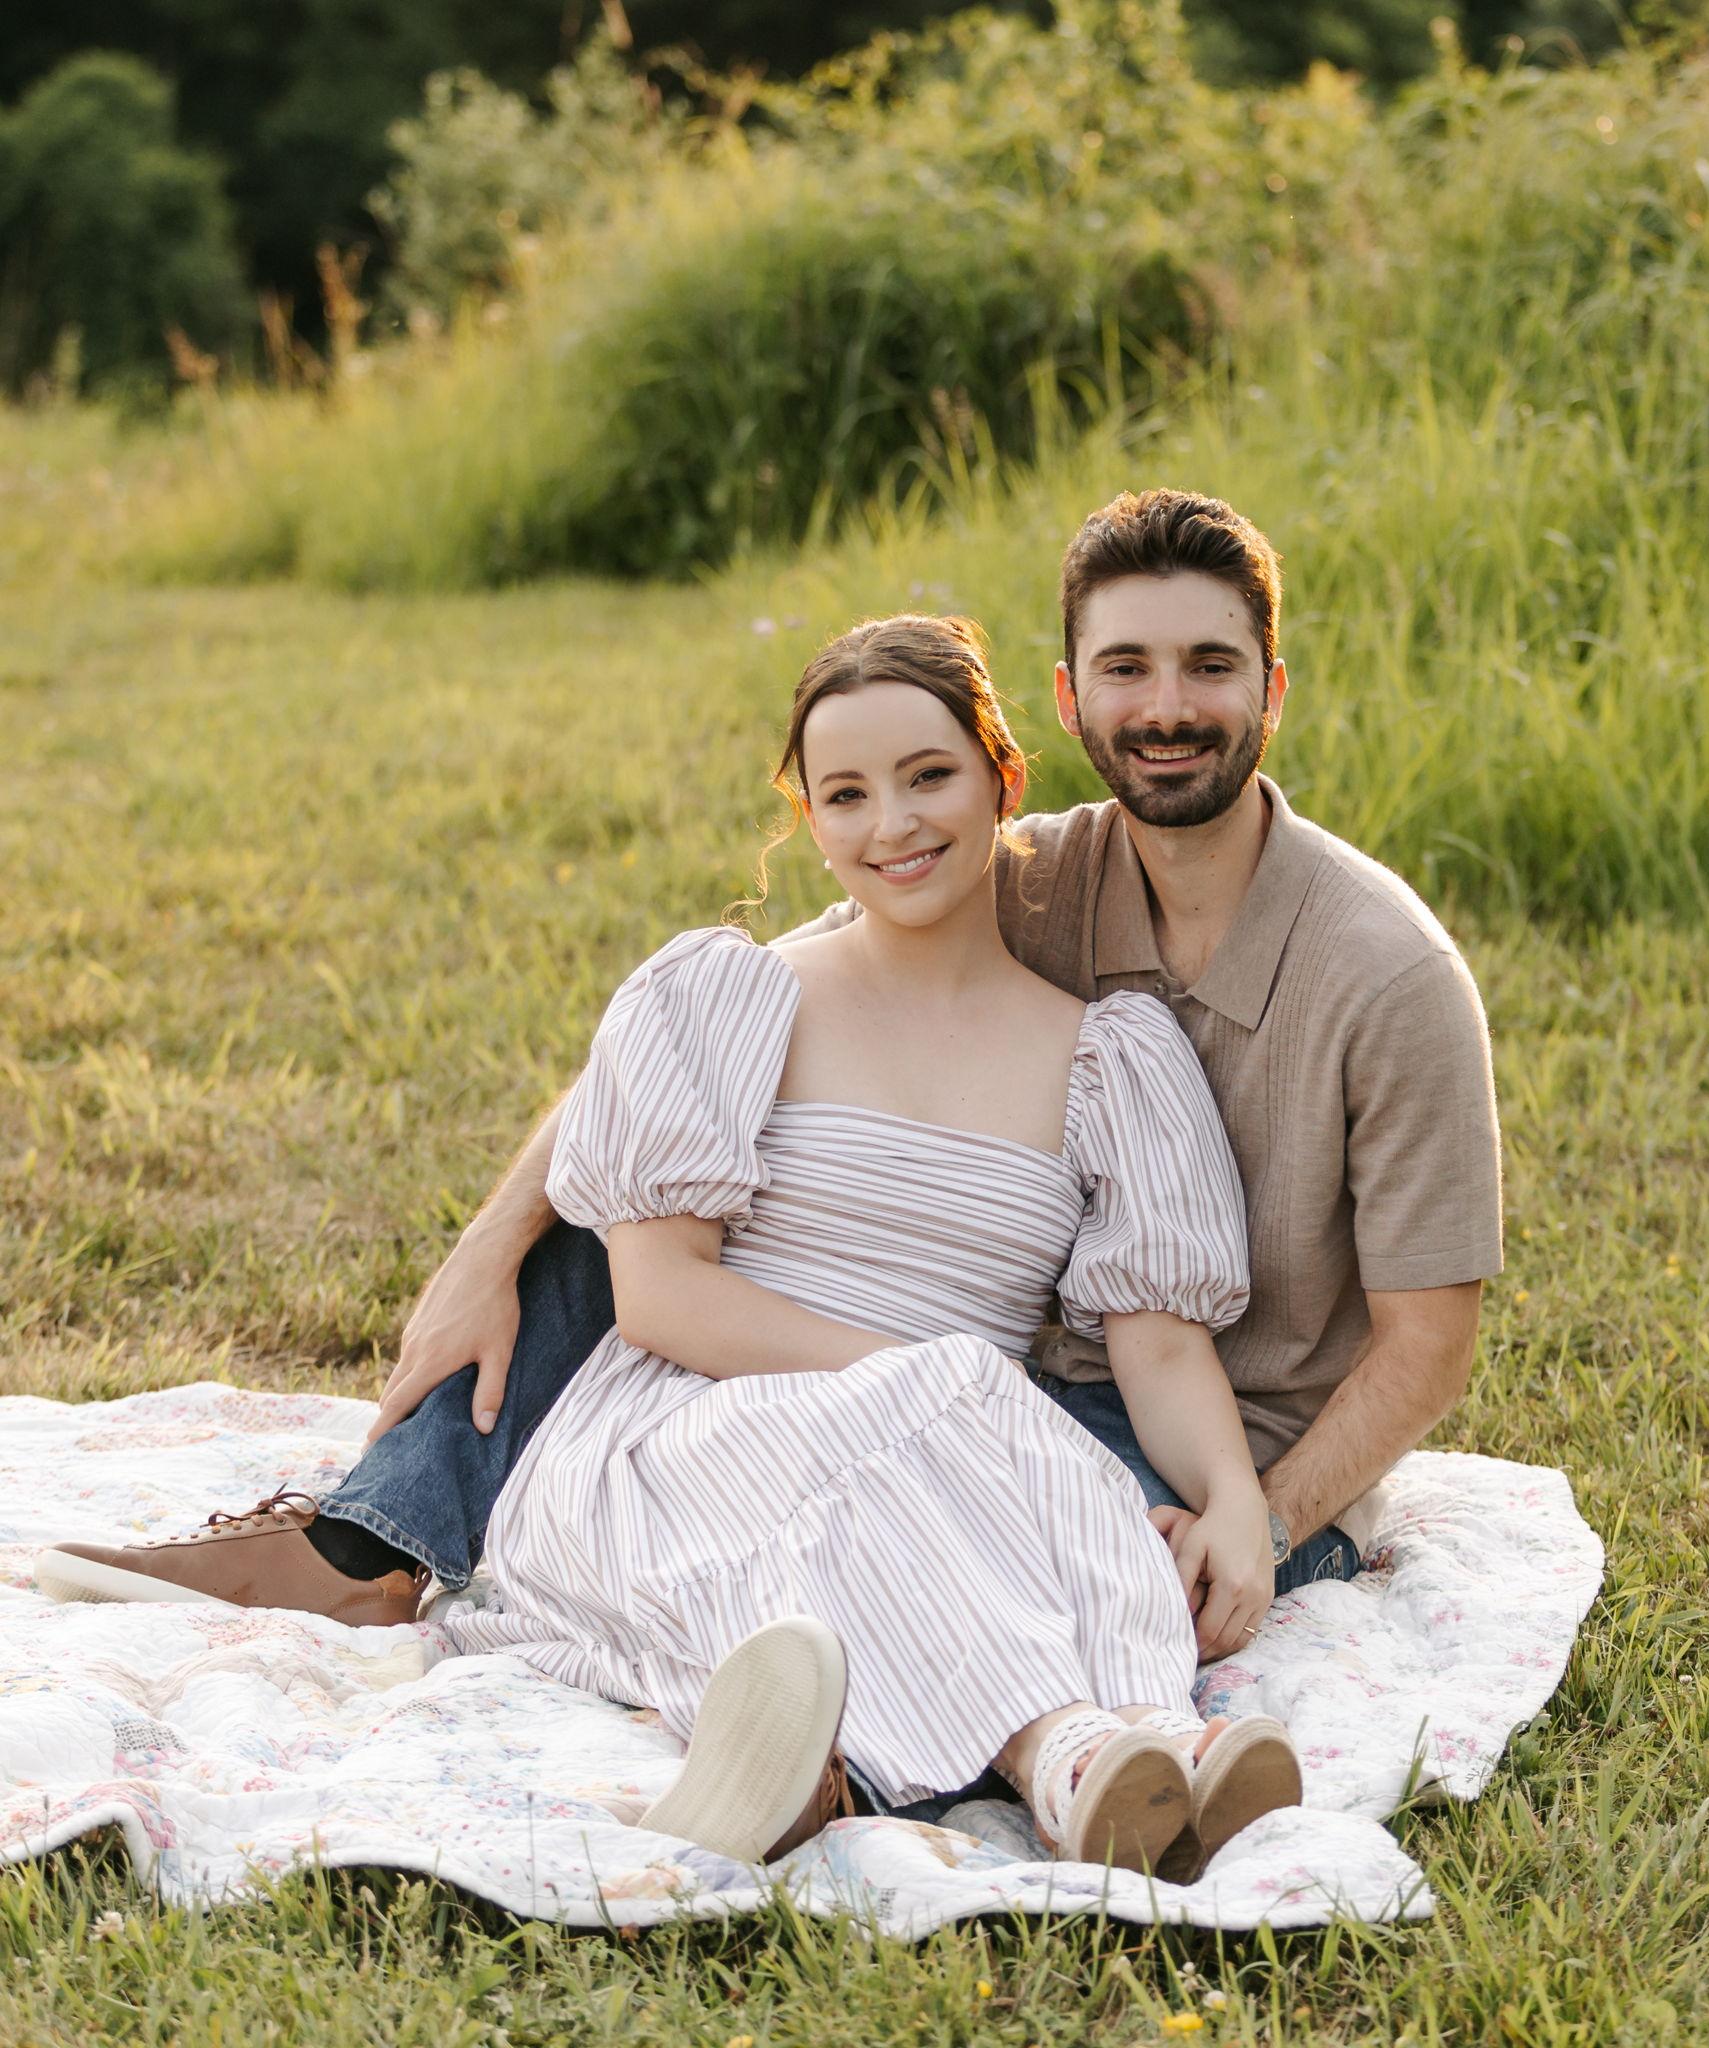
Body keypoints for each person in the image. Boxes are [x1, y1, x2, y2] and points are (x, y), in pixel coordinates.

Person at [41, 487, 1503, 1840]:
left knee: (1073, 1507)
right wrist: (483, 1254)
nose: (896, 824)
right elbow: (646, 1224)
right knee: (873, 1397)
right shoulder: (789, 974)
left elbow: (1258, 1341)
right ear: (1066, 713)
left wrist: (1252, 1507)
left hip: (1063, 1423)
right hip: (730, 1413)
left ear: (1001, 780)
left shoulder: (1263, 1006)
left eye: (931, 779)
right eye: (847, 796)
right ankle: (379, 1545)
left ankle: (960, 1765)